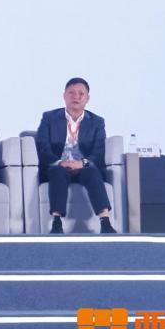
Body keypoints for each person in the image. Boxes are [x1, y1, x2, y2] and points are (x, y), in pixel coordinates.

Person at [35, 77, 115, 234]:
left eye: (81, 93)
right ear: (64, 96)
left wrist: (82, 163)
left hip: (83, 166)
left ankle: (105, 222)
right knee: (57, 172)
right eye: (71, 93)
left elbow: (98, 152)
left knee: (93, 172)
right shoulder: (49, 118)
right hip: (59, 165)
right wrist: (59, 162)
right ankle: (56, 223)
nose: (76, 97)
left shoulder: (97, 122)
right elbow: (42, 146)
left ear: (87, 98)